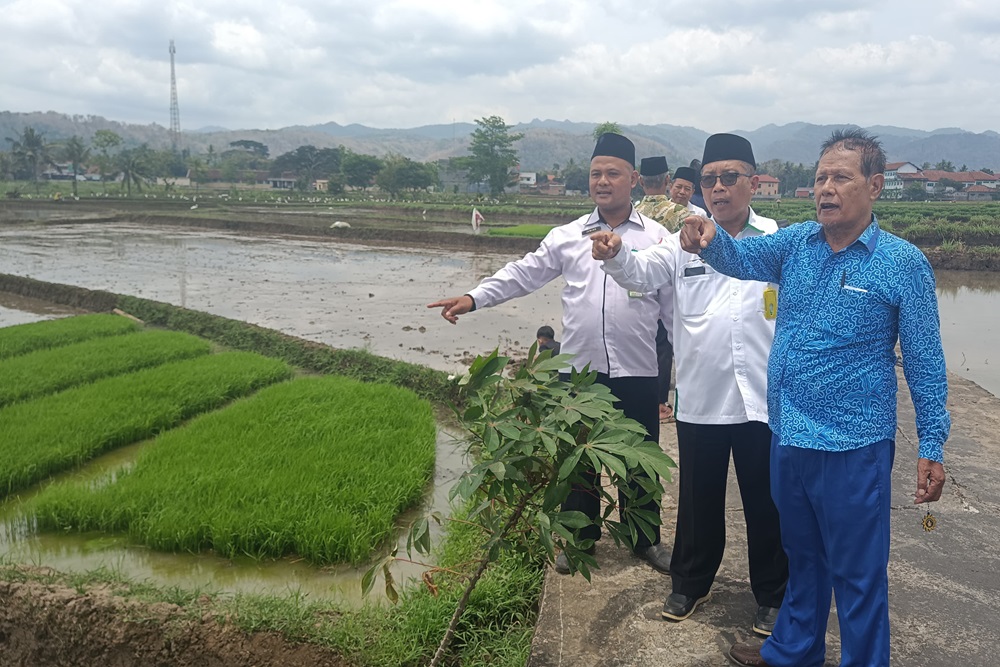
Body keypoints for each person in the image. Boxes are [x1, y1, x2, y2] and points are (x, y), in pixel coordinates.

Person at [679, 128, 950, 667]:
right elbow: (740, 257)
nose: (825, 188)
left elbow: (925, 362)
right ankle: (794, 650)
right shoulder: (797, 243)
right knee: (802, 559)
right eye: (820, 177)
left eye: (840, 177)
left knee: (858, 572)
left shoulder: (902, 263)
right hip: (790, 436)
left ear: (874, 186)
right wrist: (708, 237)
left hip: (854, 446)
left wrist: (932, 444)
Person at [428, 132, 673, 575]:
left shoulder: (658, 238)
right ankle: (581, 538)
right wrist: (474, 297)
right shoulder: (567, 236)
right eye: (596, 173)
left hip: (638, 369)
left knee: (639, 456)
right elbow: (524, 273)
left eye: (612, 173)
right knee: (576, 458)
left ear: (633, 179)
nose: (602, 181)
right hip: (577, 374)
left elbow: (673, 310)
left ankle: (644, 537)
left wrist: (683, 371)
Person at [591, 133, 788, 637]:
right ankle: (690, 583)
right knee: (699, 500)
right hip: (701, 395)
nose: (718, 188)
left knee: (768, 501)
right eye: (709, 179)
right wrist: (615, 254)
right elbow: (639, 272)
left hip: (765, 398)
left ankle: (771, 594)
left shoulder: (777, 239)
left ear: (753, 182)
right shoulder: (679, 240)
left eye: (729, 178)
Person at [635, 155, 688, 423]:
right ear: (668, 181)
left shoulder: (630, 211)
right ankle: (660, 402)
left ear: (640, 181)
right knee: (665, 348)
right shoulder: (682, 215)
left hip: (636, 292)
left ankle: (638, 397)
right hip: (670, 293)